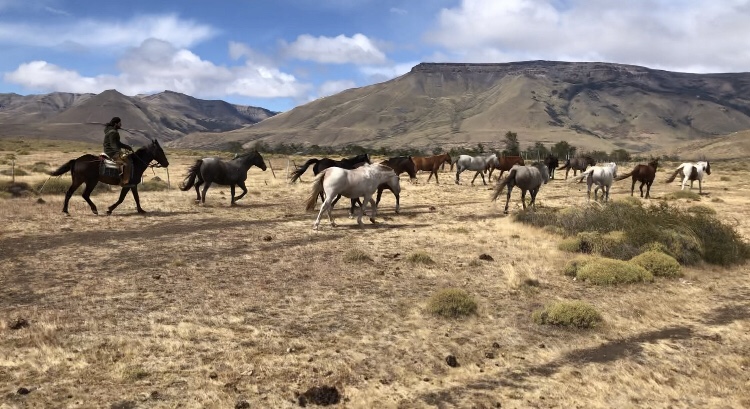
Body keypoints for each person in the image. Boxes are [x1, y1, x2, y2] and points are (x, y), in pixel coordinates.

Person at [102, 117, 134, 186]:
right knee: (127, 163)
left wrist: (127, 147)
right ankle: (125, 182)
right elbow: (113, 144)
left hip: (109, 150)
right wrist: (119, 153)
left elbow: (118, 143)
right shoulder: (113, 132)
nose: (121, 125)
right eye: (119, 123)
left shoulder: (111, 131)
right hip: (111, 152)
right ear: (115, 124)